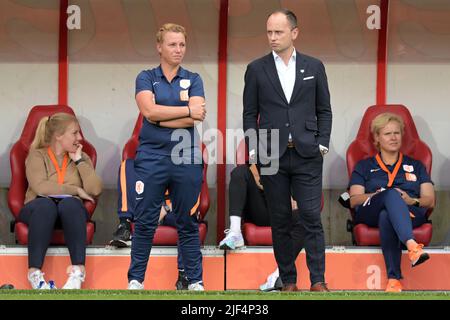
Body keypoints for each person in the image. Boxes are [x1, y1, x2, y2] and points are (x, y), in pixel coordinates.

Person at [243, 9, 332, 292]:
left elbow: (324, 110)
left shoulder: (314, 66)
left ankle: (318, 280)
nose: (272, 37)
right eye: (269, 32)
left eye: (278, 32)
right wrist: (254, 151)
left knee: (310, 216)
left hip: (308, 154)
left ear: (294, 32)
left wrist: (322, 143)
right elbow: (249, 114)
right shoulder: (256, 69)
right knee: (280, 220)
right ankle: (289, 281)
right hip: (272, 155)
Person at [127, 23, 206, 291]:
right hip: (152, 156)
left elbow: (197, 116)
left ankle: (195, 281)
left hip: (187, 156)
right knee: (146, 220)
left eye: (182, 44)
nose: (178, 49)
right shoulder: (146, 77)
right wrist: (185, 112)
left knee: (187, 221)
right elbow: (149, 112)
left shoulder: (194, 78)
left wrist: (162, 116)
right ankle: (136, 280)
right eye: (172, 44)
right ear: (159, 47)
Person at [348, 113, 434, 292]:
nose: (394, 137)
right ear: (377, 138)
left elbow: (430, 200)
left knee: (387, 214)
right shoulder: (364, 166)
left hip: (409, 211)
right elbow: (354, 200)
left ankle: (394, 280)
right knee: (390, 195)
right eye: (387, 134)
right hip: (370, 210)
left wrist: (412, 200)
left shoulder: (416, 165)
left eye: (397, 133)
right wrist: (382, 195)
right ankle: (411, 244)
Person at [20, 113, 102, 290]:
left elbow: (95, 190)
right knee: (46, 205)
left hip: (69, 212)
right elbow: (41, 187)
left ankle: (77, 273)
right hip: (38, 210)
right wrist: (75, 190)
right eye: (75, 133)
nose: (80, 138)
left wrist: (79, 161)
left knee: (70, 204)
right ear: (58, 136)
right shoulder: (37, 156)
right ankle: (35, 274)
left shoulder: (82, 157)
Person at [218, 164, 307, 291]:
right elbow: (254, 169)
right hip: (261, 206)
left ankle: (279, 275)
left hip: (283, 208)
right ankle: (235, 231)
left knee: (305, 219)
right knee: (239, 172)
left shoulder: (293, 154)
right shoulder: (264, 148)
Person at [110, 159, 190, 290]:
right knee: (128, 165)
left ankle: (184, 277)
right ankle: (124, 225)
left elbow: (190, 193)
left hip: (175, 208)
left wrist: (165, 207)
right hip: (149, 207)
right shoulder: (147, 161)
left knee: (186, 219)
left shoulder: (183, 156)